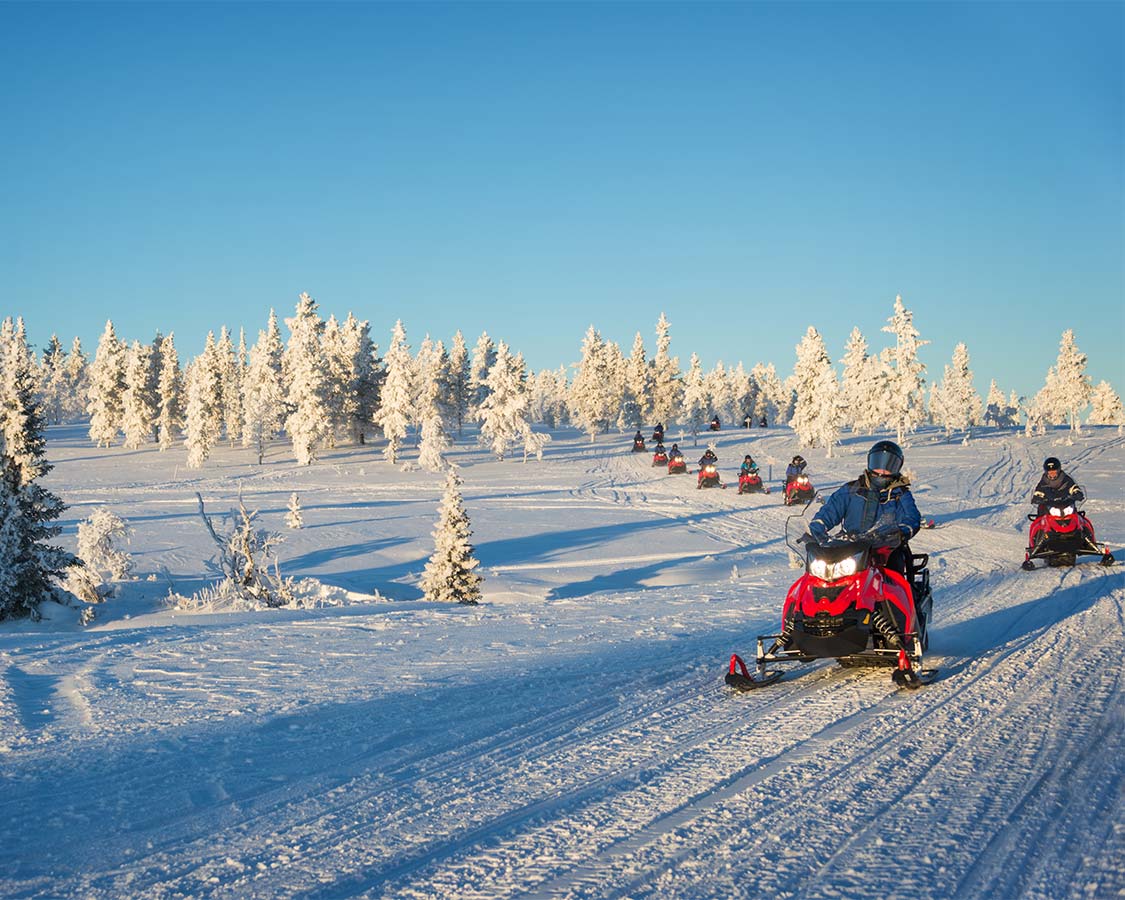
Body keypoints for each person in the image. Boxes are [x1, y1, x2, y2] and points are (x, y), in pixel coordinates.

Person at [809, 440, 921, 580]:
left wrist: (900, 533)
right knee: (820, 574)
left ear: (896, 468)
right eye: (878, 463)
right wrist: (818, 528)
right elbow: (831, 510)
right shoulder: (851, 490)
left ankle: (897, 601)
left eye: (888, 466)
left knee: (894, 575)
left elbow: (912, 518)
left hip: (885, 547)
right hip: (849, 545)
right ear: (870, 462)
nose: (882, 470)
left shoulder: (900, 494)